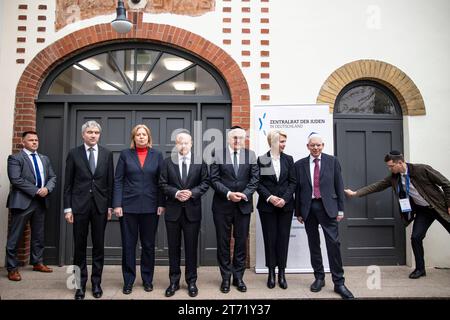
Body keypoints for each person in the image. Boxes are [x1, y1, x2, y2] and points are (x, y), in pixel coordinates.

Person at [345, 150, 450, 279]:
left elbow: (446, 184)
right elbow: (378, 186)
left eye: (391, 166)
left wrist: (449, 205)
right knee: (416, 238)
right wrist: (356, 193)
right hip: (424, 211)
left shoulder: (421, 169)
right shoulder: (394, 178)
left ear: (400, 162)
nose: (389, 169)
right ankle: (420, 269)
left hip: (439, 207)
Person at [294, 133, 354, 299]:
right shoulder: (299, 165)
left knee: (333, 244)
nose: (315, 148)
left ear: (323, 145)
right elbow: (298, 190)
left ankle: (339, 283)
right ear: (308, 146)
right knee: (314, 244)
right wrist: (298, 211)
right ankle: (319, 278)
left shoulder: (332, 161)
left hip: (328, 207)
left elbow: (339, 184)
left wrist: (340, 209)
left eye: (318, 145)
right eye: (312, 145)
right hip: (308, 208)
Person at [63, 121, 114, 300]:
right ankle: (79, 285)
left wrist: (109, 206)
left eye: (96, 133)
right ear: (83, 134)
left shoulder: (107, 154)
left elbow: (110, 183)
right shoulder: (74, 154)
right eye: (90, 132)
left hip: (100, 207)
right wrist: (68, 208)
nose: (93, 135)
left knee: (99, 246)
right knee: (79, 247)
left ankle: (97, 283)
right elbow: (68, 184)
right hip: (79, 206)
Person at [113, 124, 165, 295]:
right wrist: (117, 204)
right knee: (129, 245)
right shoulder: (125, 155)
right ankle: (128, 281)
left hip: (151, 207)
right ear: (133, 138)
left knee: (148, 245)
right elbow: (118, 180)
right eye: (138, 135)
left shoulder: (157, 155)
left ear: (149, 137)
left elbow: (161, 182)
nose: (141, 137)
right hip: (128, 207)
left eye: (144, 134)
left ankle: (147, 279)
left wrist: (161, 203)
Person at [159, 132, 209, 297]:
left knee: (191, 248)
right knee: (173, 248)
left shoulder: (199, 162)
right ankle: (174, 281)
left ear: (191, 143)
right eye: (180, 143)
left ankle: (191, 282)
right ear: (176, 144)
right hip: (173, 212)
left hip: (192, 212)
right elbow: (162, 183)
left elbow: (205, 183)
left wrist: (191, 192)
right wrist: (176, 192)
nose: (183, 146)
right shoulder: (167, 163)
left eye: (186, 143)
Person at [210, 126, 259, 293]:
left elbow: (255, 179)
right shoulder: (218, 154)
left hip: (243, 206)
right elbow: (214, 179)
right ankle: (225, 278)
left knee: (240, 242)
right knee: (223, 243)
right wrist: (229, 193)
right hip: (222, 206)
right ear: (228, 139)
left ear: (244, 138)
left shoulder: (250, 155)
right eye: (234, 138)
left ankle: (238, 277)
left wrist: (244, 194)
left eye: (240, 137)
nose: (237, 140)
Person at [6, 131, 56, 281]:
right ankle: (12, 268)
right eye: (31, 140)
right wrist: (36, 191)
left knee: (38, 235)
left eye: (36, 140)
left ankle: (37, 262)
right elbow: (16, 179)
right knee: (15, 237)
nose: (34, 142)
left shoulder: (44, 159)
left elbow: (52, 176)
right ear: (23, 142)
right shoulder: (15, 158)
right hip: (22, 201)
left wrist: (47, 189)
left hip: (41, 202)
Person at [256, 130, 296, 289]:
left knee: (283, 239)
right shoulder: (263, 160)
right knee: (270, 239)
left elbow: (292, 182)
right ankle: (271, 273)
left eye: (285, 141)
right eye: (281, 141)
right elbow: (258, 183)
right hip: (267, 207)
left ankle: (282, 273)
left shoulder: (289, 159)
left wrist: (284, 199)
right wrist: (270, 198)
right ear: (272, 142)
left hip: (285, 207)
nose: (284, 144)